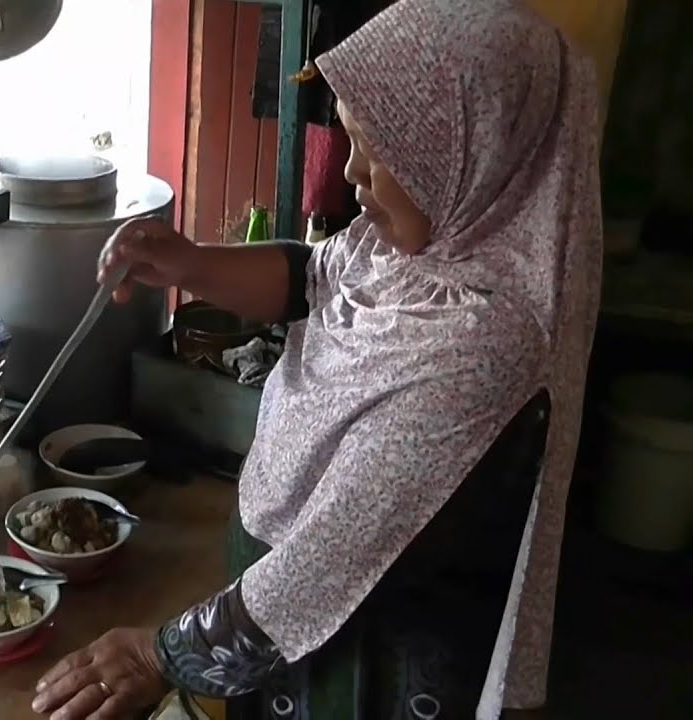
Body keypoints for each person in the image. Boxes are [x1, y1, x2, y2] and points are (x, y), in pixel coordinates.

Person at [30, 1, 603, 718]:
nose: (353, 172)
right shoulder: (422, 241)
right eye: (351, 137)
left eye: (380, 149)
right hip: (273, 624)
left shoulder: (486, 346)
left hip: (374, 660)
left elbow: (321, 568)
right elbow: (314, 276)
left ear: (468, 152)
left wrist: (159, 656)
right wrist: (190, 263)